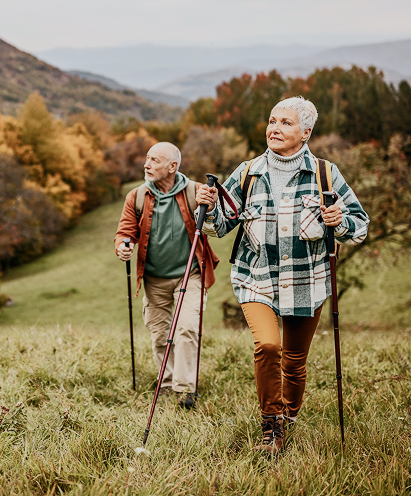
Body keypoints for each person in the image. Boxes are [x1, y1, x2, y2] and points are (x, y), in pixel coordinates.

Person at [196, 96, 369, 454]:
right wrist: (209, 207)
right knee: (268, 345)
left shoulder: (325, 174)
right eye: (272, 121)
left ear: (306, 132)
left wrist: (341, 221)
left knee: (294, 362)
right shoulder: (247, 173)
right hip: (255, 278)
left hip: (307, 282)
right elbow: (222, 225)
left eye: (286, 123)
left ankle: (288, 417)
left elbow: (359, 226)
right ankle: (271, 425)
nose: (274, 128)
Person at [115, 142, 219, 409]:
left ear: (172, 166)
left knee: (186, 328)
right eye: (147, 158)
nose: (147, 164)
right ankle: (167, 382)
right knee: (160, 333)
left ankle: (186, 390)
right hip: (154, 279)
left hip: (191, 274)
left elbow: (217, 223)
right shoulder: (136, 196)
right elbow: (126, 231)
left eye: (154, 160)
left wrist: (213, 206)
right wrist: (123, 245)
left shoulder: (196, 192)